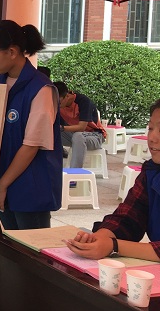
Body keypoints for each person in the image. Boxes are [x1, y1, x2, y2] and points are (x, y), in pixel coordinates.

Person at [0, 20, 62, 230]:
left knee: (30, 249)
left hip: (30, 188)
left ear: (12, 52)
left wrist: (2, 185)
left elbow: (31, 145)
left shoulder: (41, 89)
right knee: (9, 246)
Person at [66, 99, 160, 262]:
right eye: (150, 128)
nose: (152, 137)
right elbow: (129, 216)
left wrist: (114, 245)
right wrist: (100, 237)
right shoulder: (151, 172)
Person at [54, 81, 106, 169]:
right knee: (48, 133)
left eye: (58, 102)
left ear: (67, 96)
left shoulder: (83, 101)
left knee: (78, 136)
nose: (56, 105)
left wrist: (61, 128)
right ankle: (50, 169)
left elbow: (82, 127)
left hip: (95, 136)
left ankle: (75, 172)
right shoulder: (57, 105)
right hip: (73, 135)